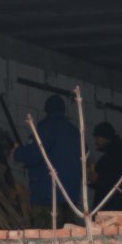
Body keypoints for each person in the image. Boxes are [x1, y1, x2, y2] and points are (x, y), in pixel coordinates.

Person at [12, 94, 84, 222]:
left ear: (46, 110)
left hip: (47, 196)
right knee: (67, 238)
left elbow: (33, 155)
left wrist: (17, 152)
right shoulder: (75, 132)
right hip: (70, 199)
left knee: (45, 237)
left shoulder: (46, 127)